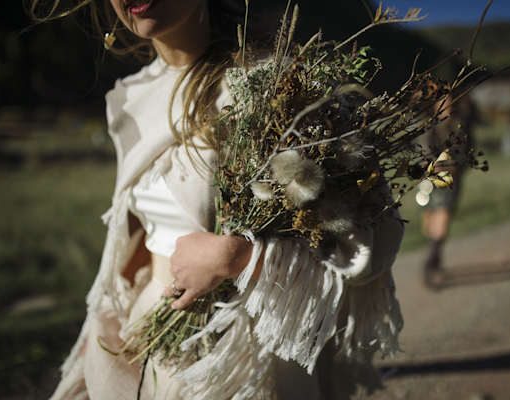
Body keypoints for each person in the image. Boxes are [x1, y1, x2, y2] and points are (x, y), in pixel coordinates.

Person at [29, 1, 405, 399]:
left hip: (250, 354)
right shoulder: (127, 98)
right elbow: (138, 233)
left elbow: (366, 245)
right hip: (157, 336)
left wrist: (238, 258)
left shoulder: (280, 84)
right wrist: (103, 326)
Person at [419, 93, 476, 288]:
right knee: (430, 221)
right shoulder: (431, 125)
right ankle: (434, 257)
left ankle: (430, 263)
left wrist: (457, 168)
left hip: (452, 180)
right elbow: (424, 151)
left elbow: (469, 150)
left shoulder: (461, 124)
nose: (447, 107)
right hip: (432, 180)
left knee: (442, 219)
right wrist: (432, 167)